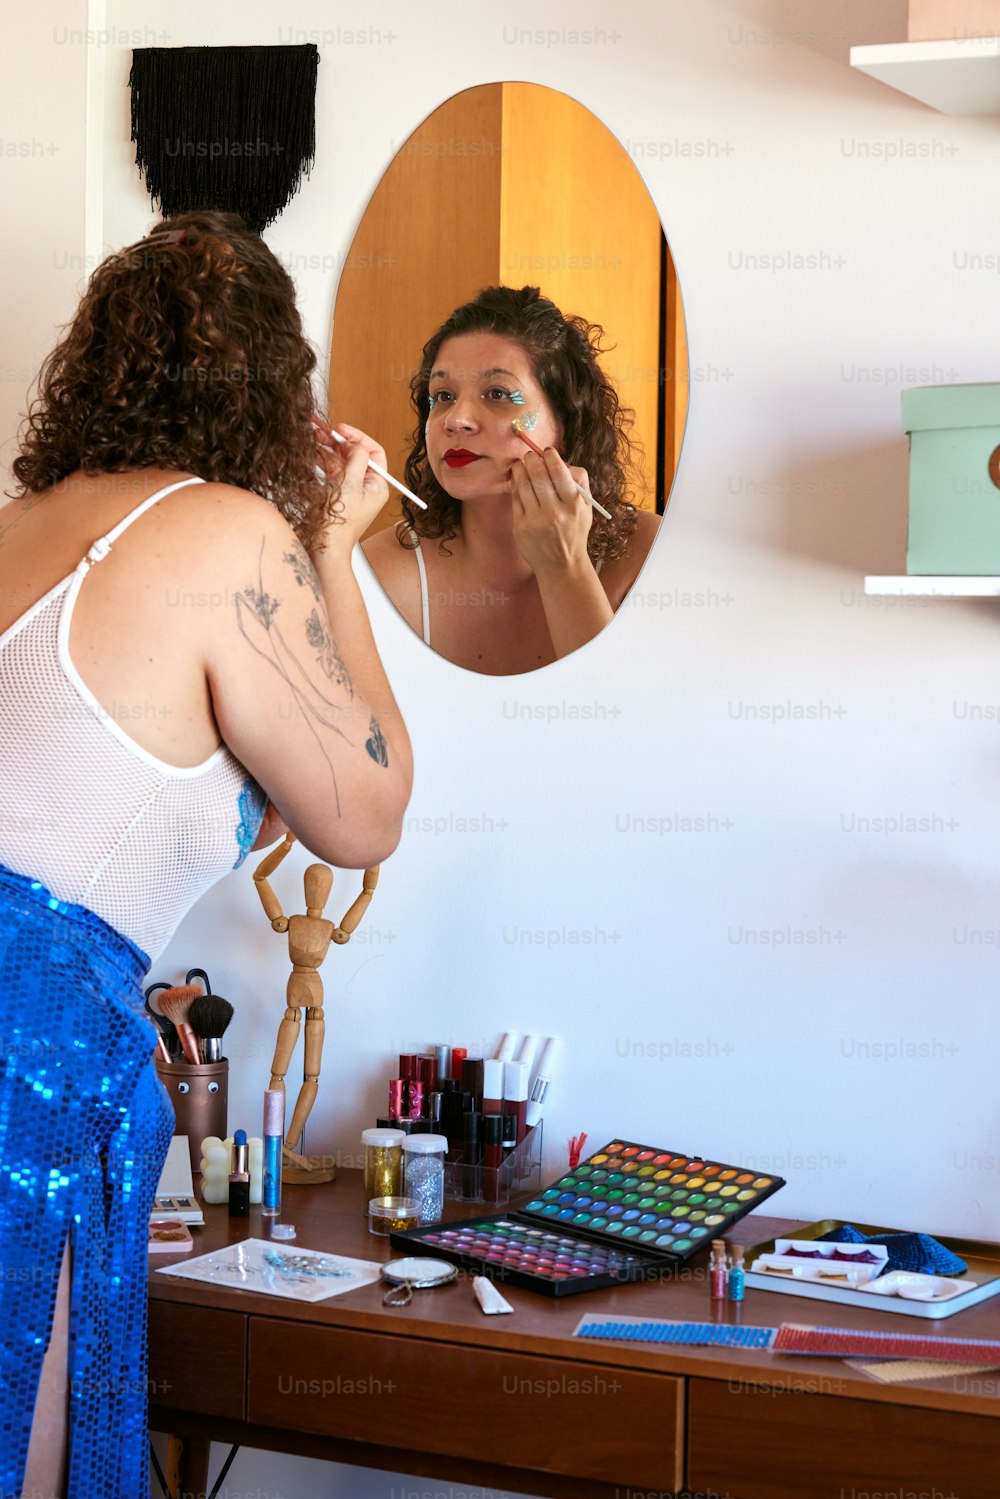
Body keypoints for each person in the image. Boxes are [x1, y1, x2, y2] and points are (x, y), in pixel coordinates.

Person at [0, 210, 411, 1498]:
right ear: (274, 390)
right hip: (32, 1051)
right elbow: (365, 810)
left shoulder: (17, 525)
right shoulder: (230, 531)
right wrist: (334, 551)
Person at [362, 284, 660, 675]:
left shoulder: (647, 556)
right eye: (443, 396)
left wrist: (563, 567)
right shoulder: (380, 571)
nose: (455, 419)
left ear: (568, 420)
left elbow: (625, 728)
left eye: (498, 393)